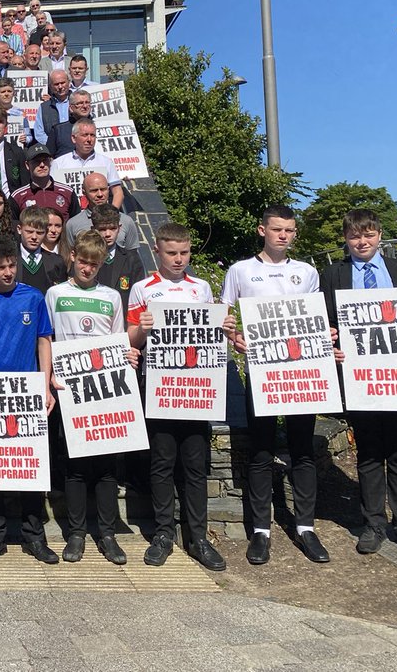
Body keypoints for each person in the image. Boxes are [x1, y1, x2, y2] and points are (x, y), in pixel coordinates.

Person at [319, 208, 397, 555]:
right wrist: (331, 346)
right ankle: (373, 523)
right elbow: (326, 322)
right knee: (370, 453)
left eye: (369, 234)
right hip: (361, 378)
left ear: (379, 235)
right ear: (346, 239)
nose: (362, 241)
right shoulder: (334, 274)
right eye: (355, 236)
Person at [221, 206, 330, 566]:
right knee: (261, 451)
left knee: (302, 450)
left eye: (290, 230)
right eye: (277, 229)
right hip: (262, 372)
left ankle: (305, 526)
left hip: (301, 373)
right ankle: (260, 531)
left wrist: (325, 334)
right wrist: (234, 335)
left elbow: (316, 317)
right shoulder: (241, 271)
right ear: (261, 230)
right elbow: (225, 317)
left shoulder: (307, 272)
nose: (283, 235)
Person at [128, 222, 235, 572]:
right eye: (171, 253)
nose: (178, 259)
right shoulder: (143, 289)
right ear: (157, 251)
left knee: (193, 464)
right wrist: (141, 329)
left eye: (184, 253)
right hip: (158, 387)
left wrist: (223, 327)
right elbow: (130, 341)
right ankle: (162, 534)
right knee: (161, 463)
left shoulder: (201, 287)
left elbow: (212, 335)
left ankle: (198, 537)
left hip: (195, 389)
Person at [0, 236, 58, 565]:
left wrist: (46, 386)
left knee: (30, 468)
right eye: (1, 267)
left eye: (12, 265)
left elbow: (44, 342)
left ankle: (35, 537)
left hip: (27, 393)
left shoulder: (33, 297)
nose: (8, 272)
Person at [45, 231, 135, 565]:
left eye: (94, 264)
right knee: (75, 468)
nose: (87, 269)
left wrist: (128, 359)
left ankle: (107, 534)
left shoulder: (111, 296)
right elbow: (47, 339)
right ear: (72, 258)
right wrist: (50, 375)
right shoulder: (55, 294)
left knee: (107, 468)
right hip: (69, 390)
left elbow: (118, 341)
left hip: (103, 392)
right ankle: (77, 533)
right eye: (83, 261)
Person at [49, 120, 124, 209]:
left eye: (92, 135)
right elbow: (51, 193)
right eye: (85, 135)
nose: (89, 140)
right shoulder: (58, 163)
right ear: (73, 138)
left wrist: (112, 214)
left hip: (100, 216)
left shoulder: (106, 162)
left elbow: (118, 192)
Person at [91, 204, 145, 317]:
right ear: (93, 229)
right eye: (102, 229)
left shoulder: (131, 259)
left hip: (123, 322)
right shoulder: (86, 259)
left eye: (112, 228)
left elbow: (139, 296)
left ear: (119, 228)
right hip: (94, 319)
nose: (108, 234)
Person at [67, 173, 139, 248]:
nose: (100, 194)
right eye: (94, 191)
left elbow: (133, 255)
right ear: (84, 192)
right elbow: (70, 255)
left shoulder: (126, 221)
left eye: (103, 189)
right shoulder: (73, 224)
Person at [9, 143, 77, 222]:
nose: (42, 165)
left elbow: (76, 224)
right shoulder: (17, 197)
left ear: (50, 162)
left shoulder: (67, 192)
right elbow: (14, 226)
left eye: (45, 160)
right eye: (36, 161)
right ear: (27, 165)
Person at [15, 206, 67, 294]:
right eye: (29, 232)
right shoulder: (9, 259)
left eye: (40, 233)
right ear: (19, 229)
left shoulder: (56, 261)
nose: (34, 237)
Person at [34, 70, 71, 147]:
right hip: (54, 151)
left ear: (69, 82)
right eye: (56, 84)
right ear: (50, 86)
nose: (60, 87)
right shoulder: (44, 107)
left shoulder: (77, 102)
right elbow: (39, 133)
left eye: (63, 83)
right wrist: (53, 144)